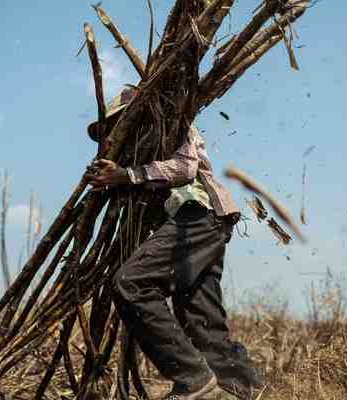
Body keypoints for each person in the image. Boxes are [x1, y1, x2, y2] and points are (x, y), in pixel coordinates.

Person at [85, 88, 261, 400]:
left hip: (198, 214)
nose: (116, 132)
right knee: (201, 319)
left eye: (118, 123)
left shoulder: (170, 125)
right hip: (208, 221)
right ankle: (244, 391)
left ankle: (192, 379)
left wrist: (126, 175)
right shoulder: (143, 150)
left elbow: (185, 169)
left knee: (131, 283)